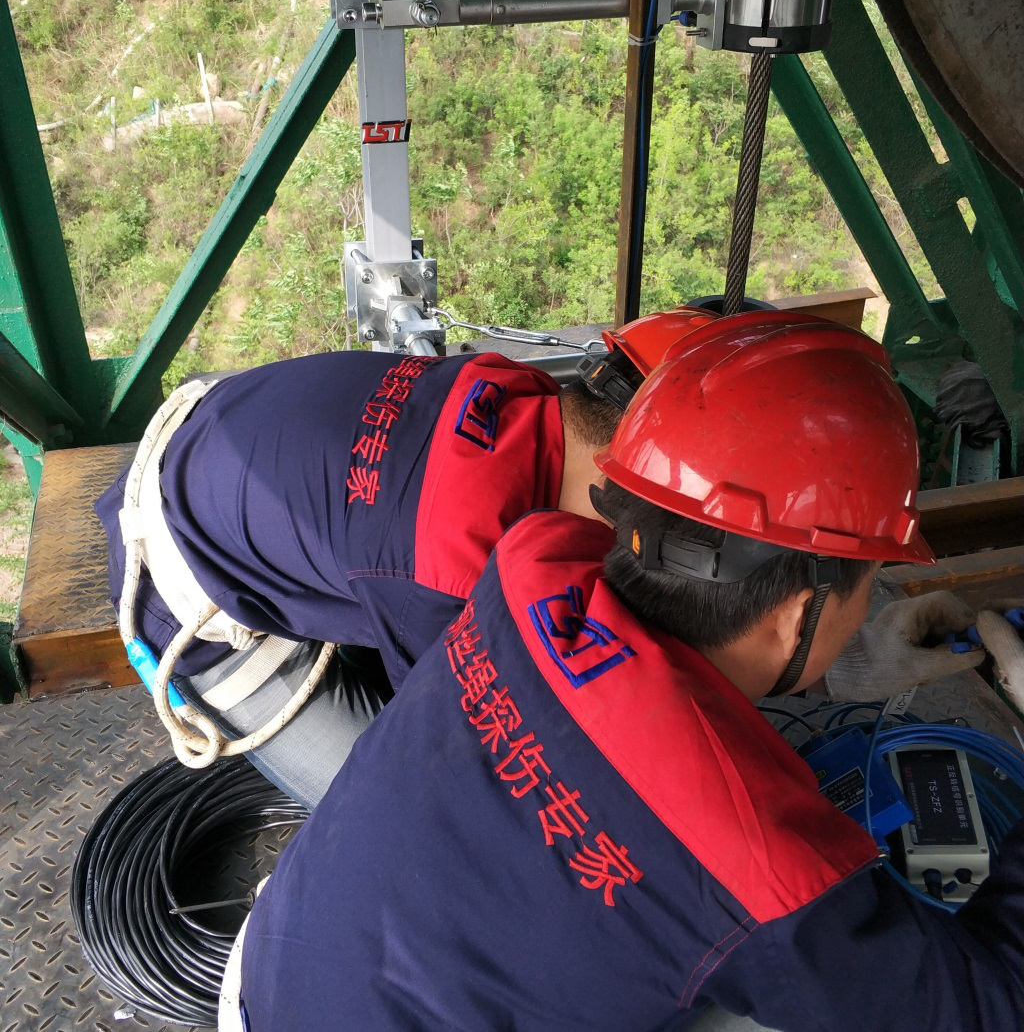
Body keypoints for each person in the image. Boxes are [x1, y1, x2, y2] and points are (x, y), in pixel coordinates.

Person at [234, 313, 1022, 1032]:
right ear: (794, 613)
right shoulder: (768, 873)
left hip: (275, 975)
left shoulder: (530, 565)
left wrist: (852, 658)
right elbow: (990, 1006)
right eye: (872, 577)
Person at [97, 307, 719, 806]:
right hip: (179, 584)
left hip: (225, 444)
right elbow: (465, 742)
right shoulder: (453, 571)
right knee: (408, 811)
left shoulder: (514, 385)